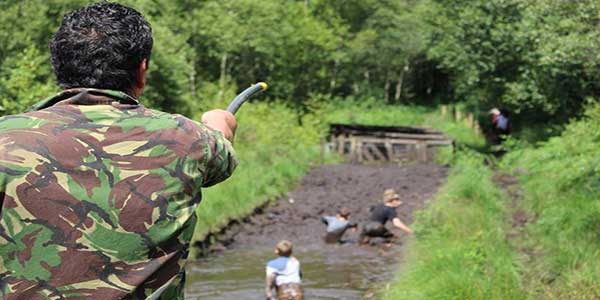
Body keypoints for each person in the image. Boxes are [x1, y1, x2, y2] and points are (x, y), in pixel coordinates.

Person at [0, 3, 237, 299]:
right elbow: (221, 153)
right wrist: (219, 122)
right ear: (142, 70)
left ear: (58, 68)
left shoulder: (5, 137)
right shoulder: (190, 139)